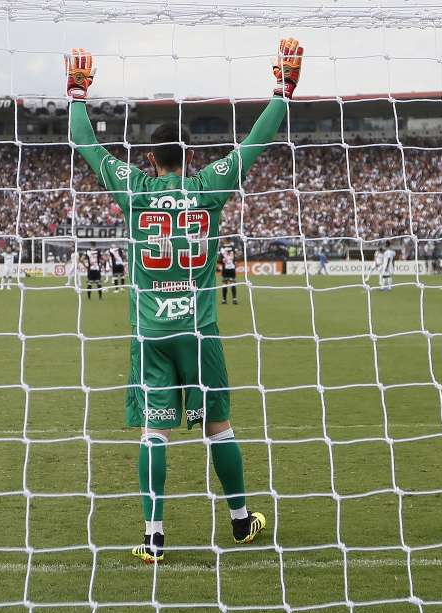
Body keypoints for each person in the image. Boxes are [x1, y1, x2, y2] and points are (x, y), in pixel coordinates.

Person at [65, 37, 303, 563]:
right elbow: (256, 143)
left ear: (151, 158)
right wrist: (283, 89)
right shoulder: (208, 186)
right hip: (198, 330)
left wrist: (77, 94)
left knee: (154, 431)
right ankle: (241, 524)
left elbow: (86, 145)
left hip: (152, 334)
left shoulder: (136, 189)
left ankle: (154, 538)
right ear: (187, 155)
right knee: (219, 427)